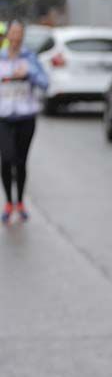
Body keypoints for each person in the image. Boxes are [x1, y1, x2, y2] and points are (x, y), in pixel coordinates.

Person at [0, 19, 48, 225]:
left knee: (20, 161)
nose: (16, 36)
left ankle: (20, 201)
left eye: (19, 33)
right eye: (13, 32)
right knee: (6, 159)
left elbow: (45, 83)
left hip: (26, 117)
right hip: (3, 117)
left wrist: (29, 74)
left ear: (23, 36)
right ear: (8, 35)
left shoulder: (30, 58)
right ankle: (8, 202)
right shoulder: (1, 59)